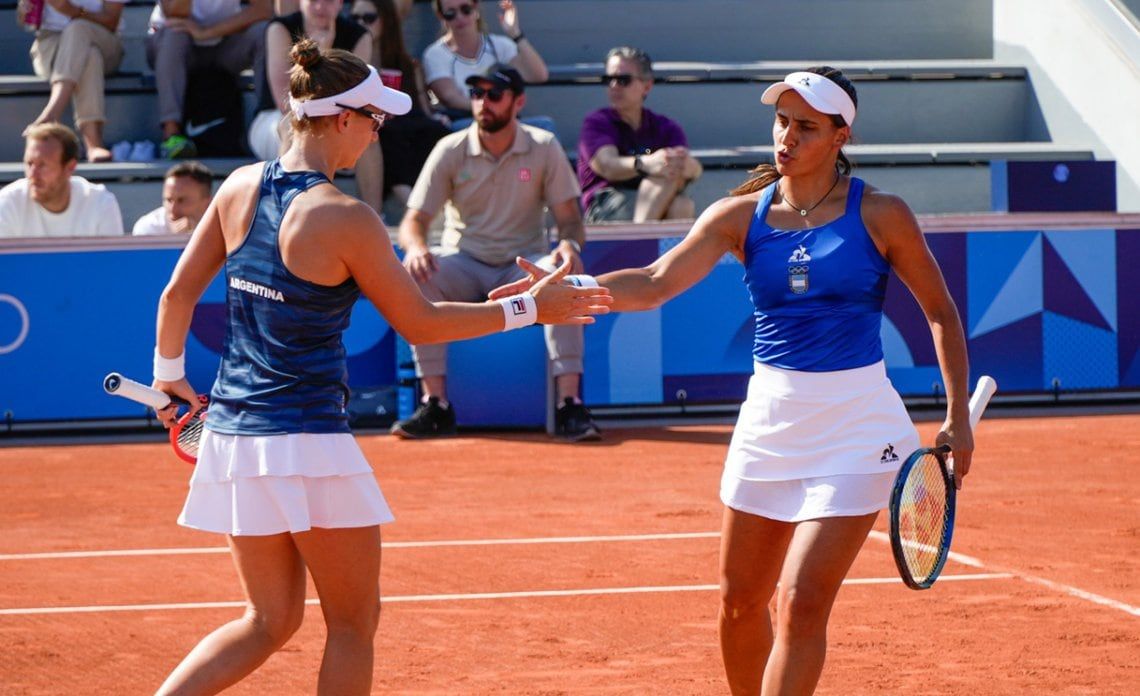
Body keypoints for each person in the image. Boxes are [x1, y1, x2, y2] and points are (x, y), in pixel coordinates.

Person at [147, 39, 608, 695]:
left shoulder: (238, 188)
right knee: (353, 623)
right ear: (341, 119)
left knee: (267, 620)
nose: (376, 130)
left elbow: (175, 296)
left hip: (235, 442)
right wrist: (531, 310)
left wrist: (169, 376)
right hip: (306, 441)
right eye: (373, 118)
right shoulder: (346, 218)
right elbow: (420, 322)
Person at [493, 67, 973, 694]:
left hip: (858, 431)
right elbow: (656, 280)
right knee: (739, 603)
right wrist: (566, 293)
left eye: (805, 127)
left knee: (800, 602)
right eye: (782, 122)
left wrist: (958, 416)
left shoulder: (882, 214)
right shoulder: (738, 216)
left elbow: (939, 312)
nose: (787, 137)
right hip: (770, 423)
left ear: (840, 136)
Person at [390, 64, 601, 442]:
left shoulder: (543, 146)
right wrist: (417, 247)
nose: (482, 103)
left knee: (562, 278)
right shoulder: (449, 149)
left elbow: (571, 220)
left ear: (518, 101)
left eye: (494, 94)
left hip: (521, 265)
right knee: (417, 274)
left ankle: (569, 404)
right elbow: (413, 221)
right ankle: (435, 404)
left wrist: (568, 246)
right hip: (465, 262)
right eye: (476, 94)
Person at [246, 0, 384, 213]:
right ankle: (285, 209)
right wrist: (322, 55)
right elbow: (288, 102)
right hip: (275, 117)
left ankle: (374, 214)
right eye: (314, 1)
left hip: (335, 116)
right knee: (293, 128)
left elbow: (357, 97)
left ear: (340, 4)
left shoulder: (358, 35)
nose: (320, 8)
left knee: (368, 133)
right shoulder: (280, 28)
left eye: (328, 2)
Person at [578, 46, 702, 223]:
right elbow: (607, 165)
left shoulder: (665, 126)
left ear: (647, 86)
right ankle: (642, 242)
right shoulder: (597, 122)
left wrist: (686, 166)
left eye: (623, 80)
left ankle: (642, 243)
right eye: (608, 79)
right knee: (668, 184)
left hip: (650, 202)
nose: (614, 86)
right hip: (606, 205)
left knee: (681, 204)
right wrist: (646, 163)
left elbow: (688, 167)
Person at [352, 0, 450, 210]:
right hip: (375, 124)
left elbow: (422, 109)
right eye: (355, 18)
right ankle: (416, 206)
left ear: (385, 21)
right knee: (384, 135)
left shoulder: (405, 63)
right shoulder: (349, 62)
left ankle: (428, 203)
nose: (361, 24)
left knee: (435, 131)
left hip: (407, 121)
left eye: (369, 18)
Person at [146, 0, 271, 159]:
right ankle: (171, 134)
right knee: (175, 32)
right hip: (176, 43)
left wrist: (207, 32)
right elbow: (174, 12)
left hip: (224, 43)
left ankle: (264, 129)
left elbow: (263, 10)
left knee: (266, 31)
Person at [18, 0, 126, 162]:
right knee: (90, 56)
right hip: (51, 44)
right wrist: (24, 11)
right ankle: (93, 143)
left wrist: (73, 11)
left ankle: (52, 114)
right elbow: (24, 21)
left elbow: (112, 21)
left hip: (104, 39)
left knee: (78, 28)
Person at [421, 0, 551, 129]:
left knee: (545, 125)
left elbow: (539, 75)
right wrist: (491, 107)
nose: (459, 17)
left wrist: (515, 33)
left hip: (504, 120)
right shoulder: (435, 54)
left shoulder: (500, 45)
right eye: (450, 13)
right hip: (465, 122)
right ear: (440, 15)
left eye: (465, 9)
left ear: (476, 7)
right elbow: (450, 98)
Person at [0, 123, 123, 237]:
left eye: (43, 165)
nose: (33, 174)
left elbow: (111, 260)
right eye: (29, 163)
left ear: (70, 167)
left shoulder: (100, 203)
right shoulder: (7, 202)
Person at [132, 161, 213, 236]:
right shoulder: (148, 228)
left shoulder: (222, 227)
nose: (173, 209)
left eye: (182, 200)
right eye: (169, 200)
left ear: (207, 203)